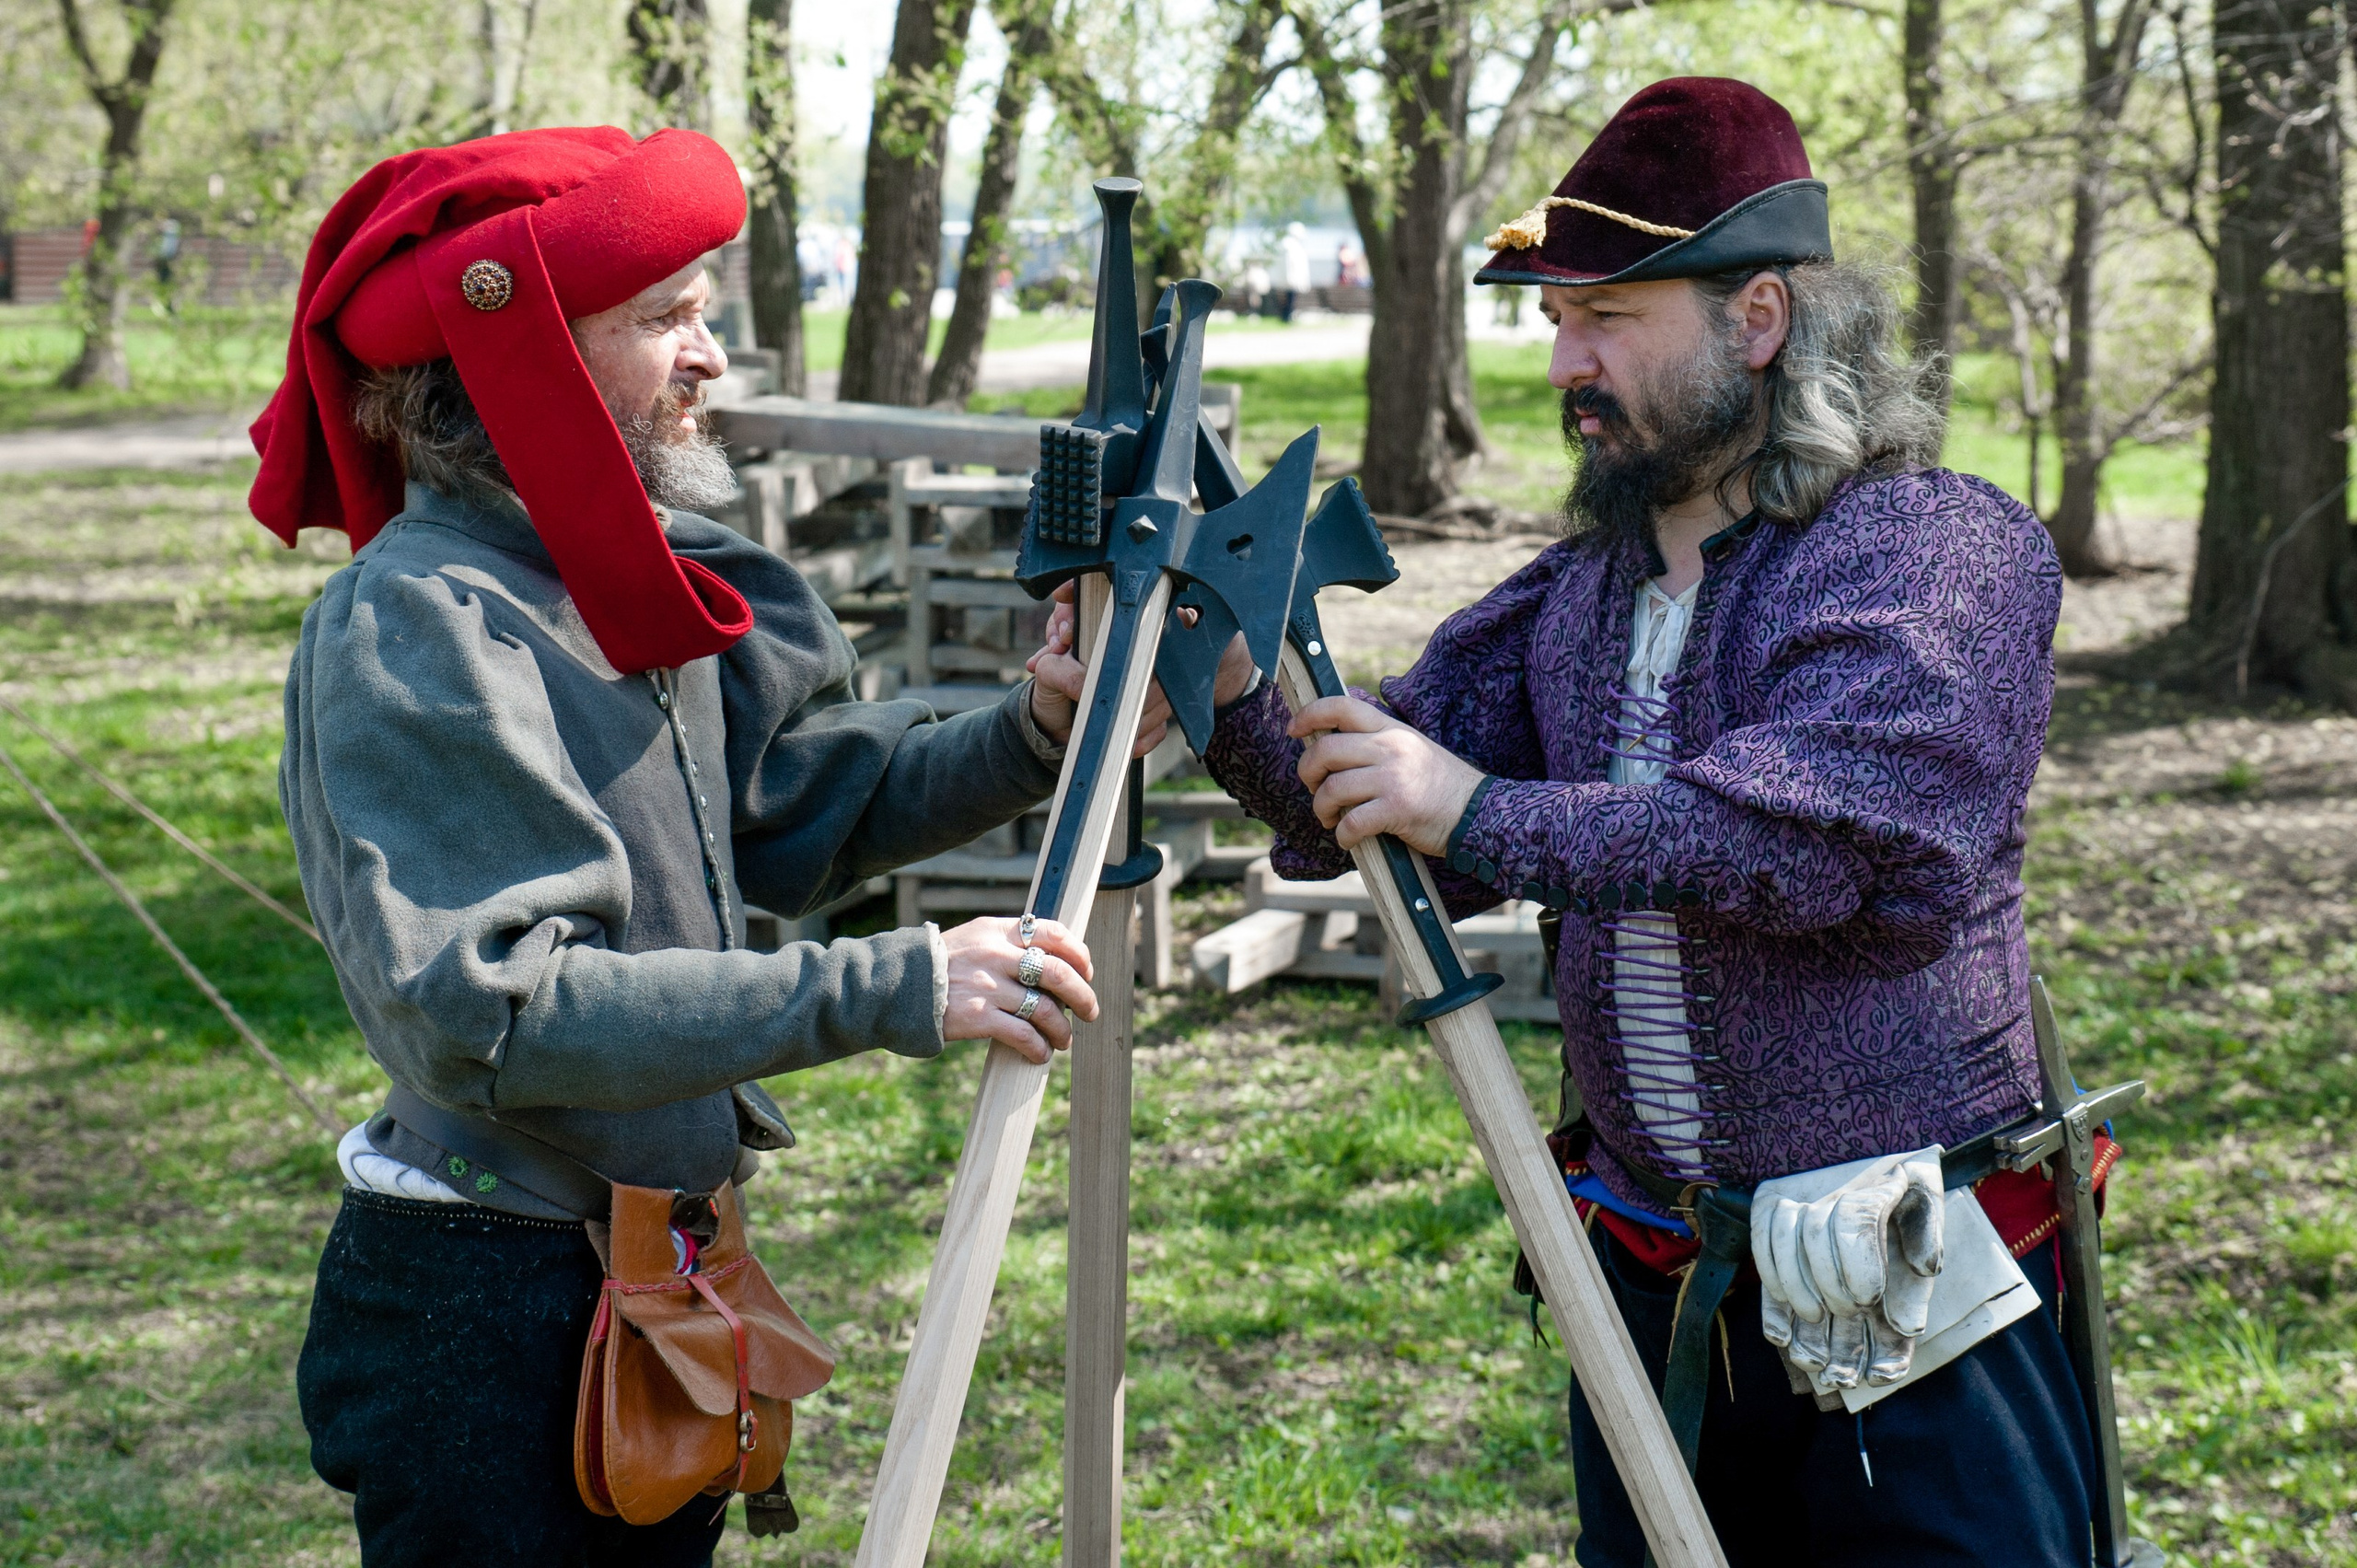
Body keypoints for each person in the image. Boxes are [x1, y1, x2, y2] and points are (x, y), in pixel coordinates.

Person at [1156, 78, 2112, 1567]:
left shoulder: (1940, 553)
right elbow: (1371, 815)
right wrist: (1223, 688)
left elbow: (1803, 842)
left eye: (1608, 316)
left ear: (1760, 321)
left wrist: (1474, 803)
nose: (1567, 362)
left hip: (1926, 1309)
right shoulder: (1583, 592)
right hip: (1658, 1303)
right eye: (1554, 322)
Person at [248, 127, 1155, 1566]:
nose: (709, 354)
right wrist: (887, 987)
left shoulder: (619, 578)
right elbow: (495, 1006)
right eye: (663, 315)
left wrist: (1033, 726)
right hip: (491, 1305)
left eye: (702, 306)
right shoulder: (422, 620)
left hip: (643, 1271)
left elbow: (791, 808)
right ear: (520, 353)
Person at [1277, 220, 1310, 322]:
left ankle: (1288, 317)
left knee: (1291, 299)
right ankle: (1286, 317)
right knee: (1289, 299)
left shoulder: (1292, 245)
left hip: (1293, 280)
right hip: (1291, 279)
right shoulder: (1289, 246)